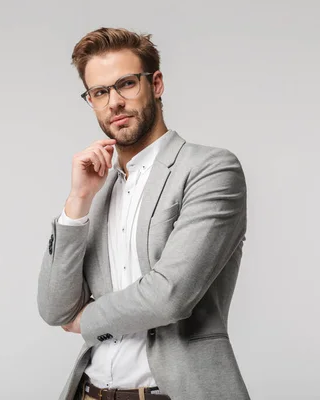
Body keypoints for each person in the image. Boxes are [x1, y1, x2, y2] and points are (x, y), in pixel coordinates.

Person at [37, 27, 250, 400]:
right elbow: (55, 309)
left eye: (126, 84)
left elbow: (170, 295)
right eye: (99, 92)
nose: (114, 102)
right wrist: (77, 202)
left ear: (156, 84)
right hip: (91, 392)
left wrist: (87, 320)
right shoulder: (98, 191)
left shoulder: (210, 169)